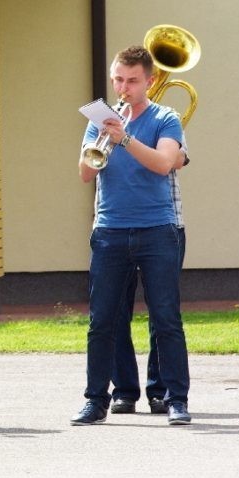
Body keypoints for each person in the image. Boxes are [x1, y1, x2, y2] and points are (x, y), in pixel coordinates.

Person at [73, 45, 191, 426]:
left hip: (158, 229)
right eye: (118, 80)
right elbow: (85, 173)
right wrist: (104, 138)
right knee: (102, 320)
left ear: (149, 82)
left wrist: (124, 139)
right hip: (110, 230)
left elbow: (164, 163)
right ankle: (96, 400)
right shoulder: (100, 121)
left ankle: (175, 399)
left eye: (132, 81)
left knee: (166, 318)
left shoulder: (165, 118)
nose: (123, 88)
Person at [110, 139, 188, 415]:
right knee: (114, 312)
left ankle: (160, 391)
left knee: (162, 313)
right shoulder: (105, 124)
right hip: (116, 227)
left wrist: (130, 144)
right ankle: (123, 391)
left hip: (165, 225)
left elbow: (177, 160)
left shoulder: (166, 122)